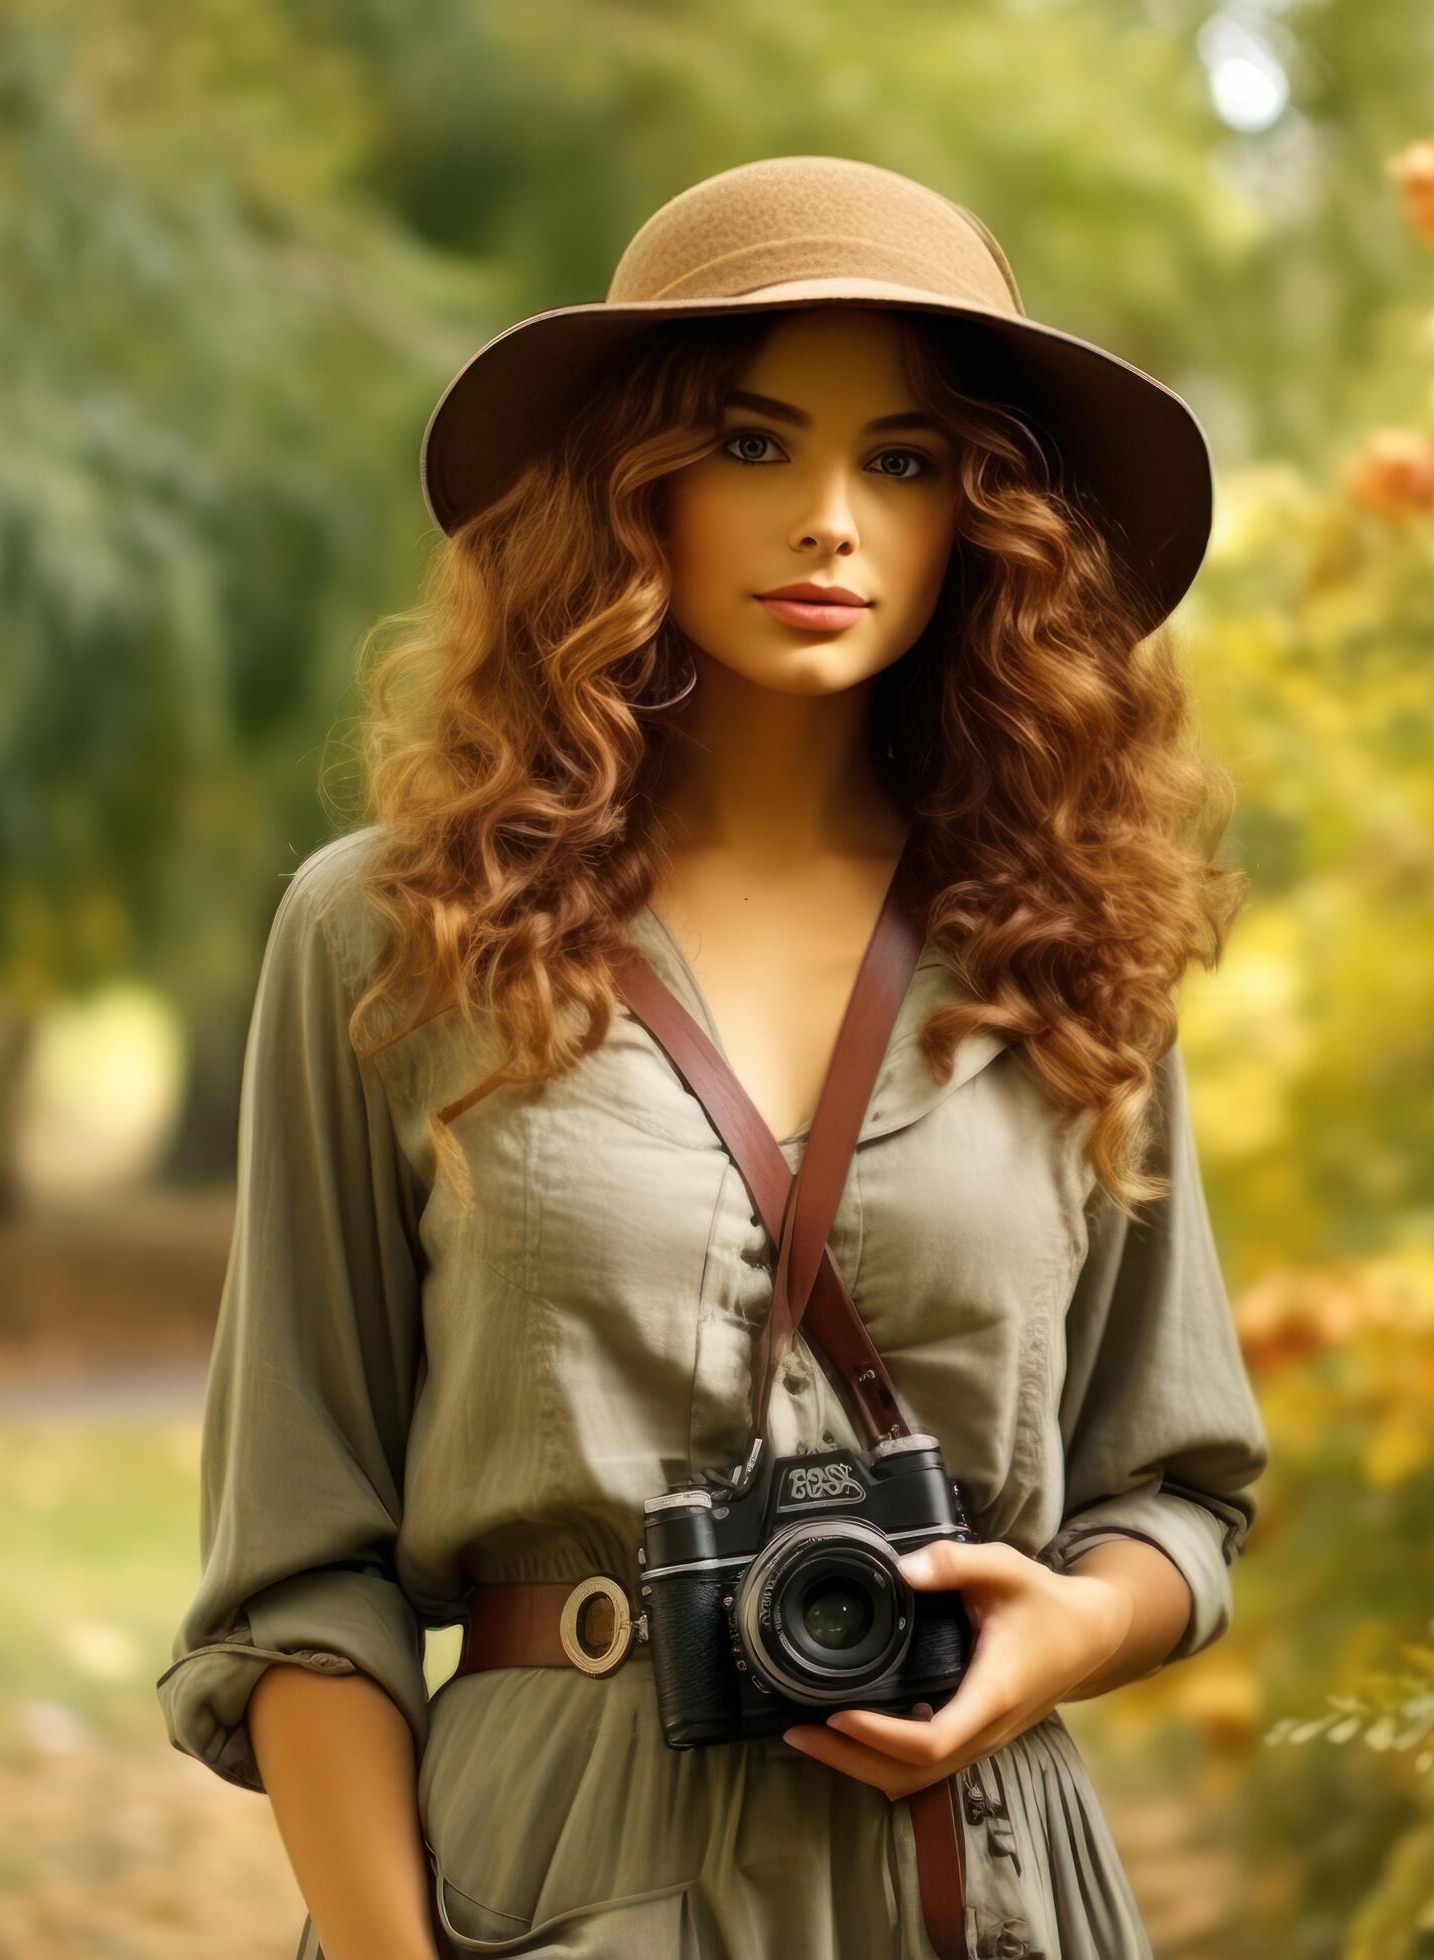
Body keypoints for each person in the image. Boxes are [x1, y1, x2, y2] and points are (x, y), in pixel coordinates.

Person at [157, 155, 1271, 1960]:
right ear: (630, 494)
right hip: (552, 1880)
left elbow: (1179, 1487)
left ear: (982, 518)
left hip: (978, 1885)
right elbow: (295, 1575)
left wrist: (1070, 1631)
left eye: (903, 463)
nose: (830, 520)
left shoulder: (1070, 943)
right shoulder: (392, 930)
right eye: (755, 446)